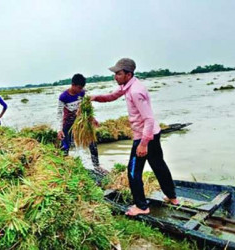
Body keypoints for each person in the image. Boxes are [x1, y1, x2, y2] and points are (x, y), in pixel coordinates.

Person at [91, 58, 178, 216]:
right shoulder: (128, 85)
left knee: (133, 172)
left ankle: (142, 207)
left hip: (145, 137)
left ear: (128, 74)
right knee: (159, 166)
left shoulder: (136, 92)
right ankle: (172, 197)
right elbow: (112, 96)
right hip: (153, 134)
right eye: (115, 73)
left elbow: (149, 119)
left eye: (118, 73)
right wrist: (95, 98)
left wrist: (143, 144)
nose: (115, 76)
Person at [57, 74, 107, 174]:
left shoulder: (82, 93)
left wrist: (92, 119)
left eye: (82, 88)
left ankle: (97, 166)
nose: (80, 90)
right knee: (65, 146)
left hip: (81, 122)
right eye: (79, 87)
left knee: (92, 142)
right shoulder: (63, 96)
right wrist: (59, 129)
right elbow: (59, 113)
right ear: (73, 85)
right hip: (68, 124)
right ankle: (64, 170)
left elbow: (86, 109)